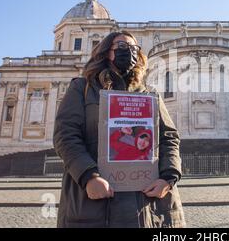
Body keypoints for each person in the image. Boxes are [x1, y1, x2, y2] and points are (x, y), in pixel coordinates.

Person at [53, 30, 185, 228]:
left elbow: (168, 137)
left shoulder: (150, 93)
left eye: (134, 48)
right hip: (94, 200)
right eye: (122, 47)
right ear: (106, 52)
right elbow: (65, 135)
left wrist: (168, 177)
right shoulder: (82, 88)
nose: (129, 52)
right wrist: (89, 176)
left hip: (146, 203)